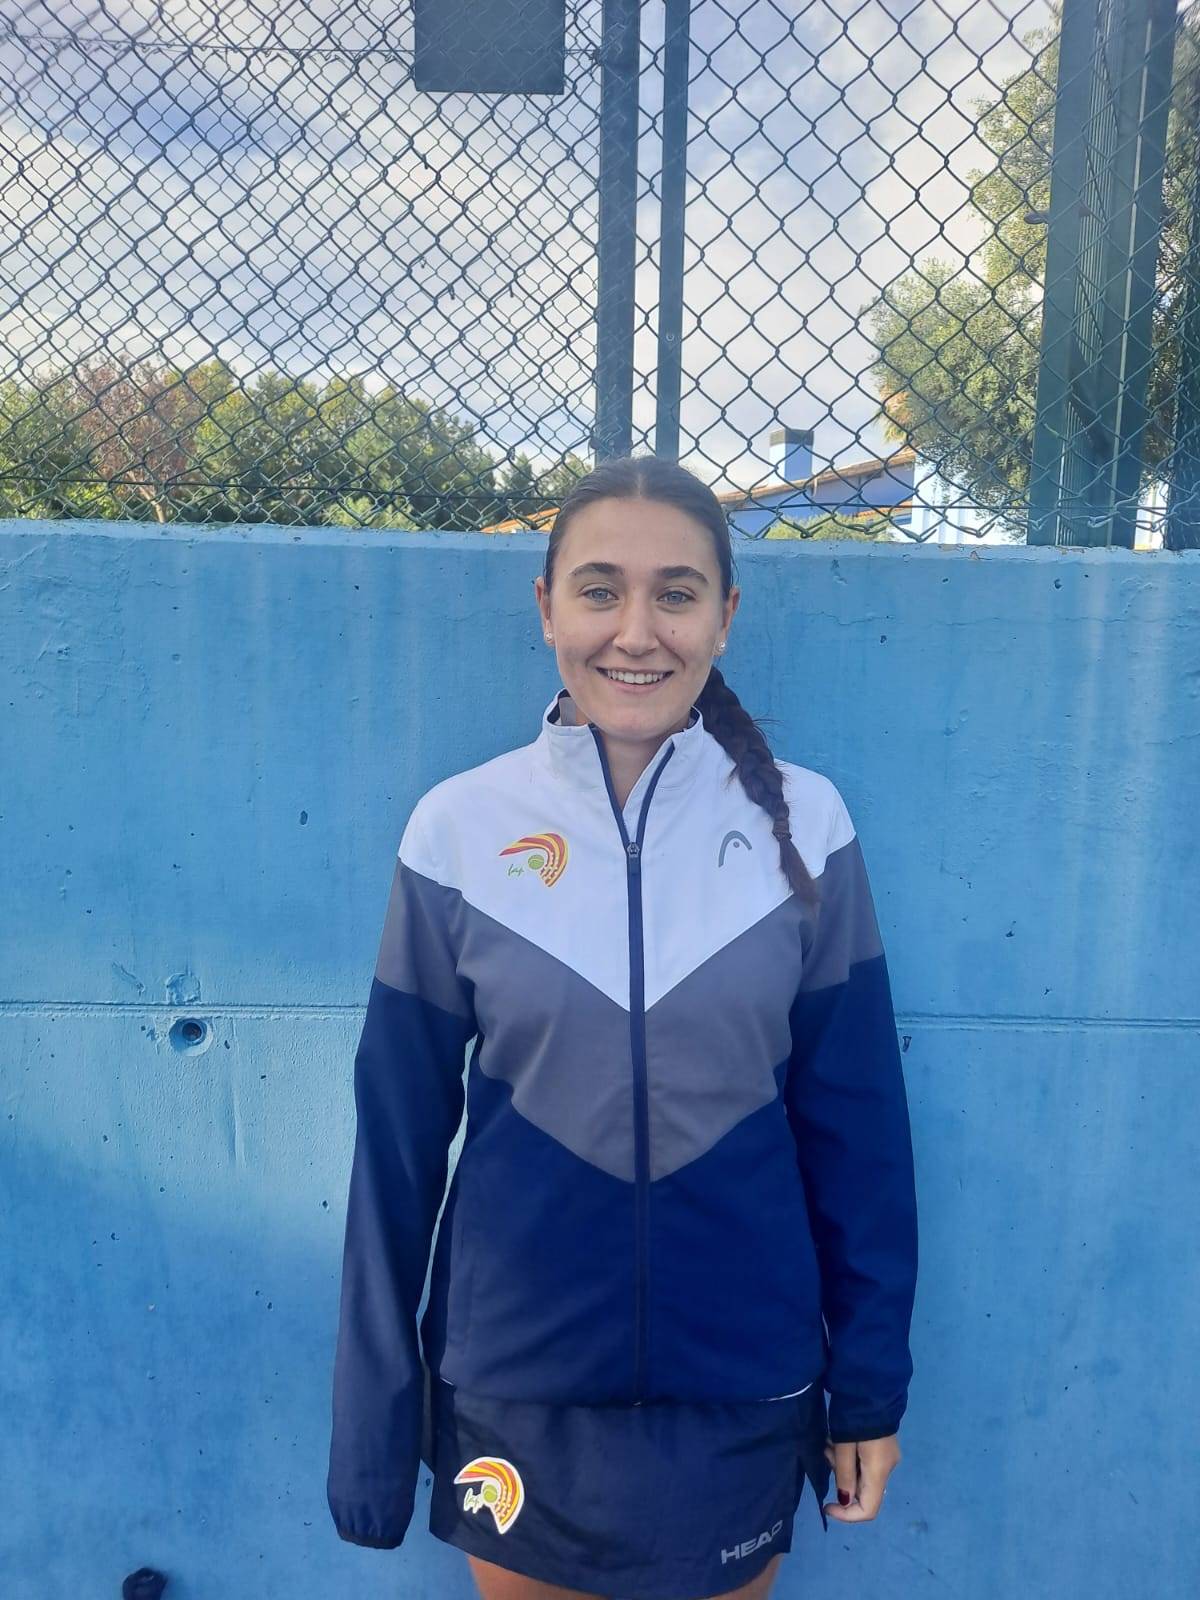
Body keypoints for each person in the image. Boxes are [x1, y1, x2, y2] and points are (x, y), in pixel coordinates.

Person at [326, 455, 919, 1600]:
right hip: (518, 1385)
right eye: (599, 590)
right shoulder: (458, 830)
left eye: (676, 594)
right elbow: (393, 1156)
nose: (636, 632)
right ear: (546, 606)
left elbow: (862, 1139)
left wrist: (869, 1390)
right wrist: (372, 1437)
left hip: (741, 1383)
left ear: (725, 616)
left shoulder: (808, 823)